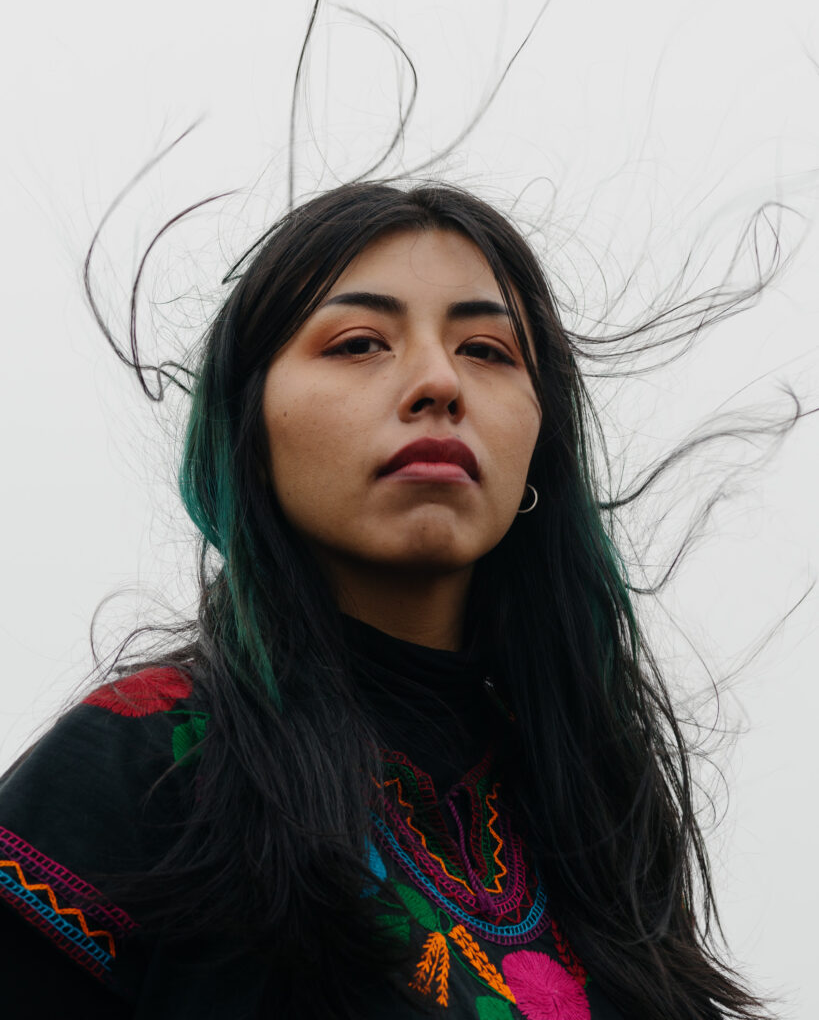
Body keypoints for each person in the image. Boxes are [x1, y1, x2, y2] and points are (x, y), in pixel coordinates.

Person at [0, 181, 778, 1019]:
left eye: (486, 350)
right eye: (360, 342)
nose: (439, 382)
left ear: (538, 449)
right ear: (249, 433)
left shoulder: (589, 808)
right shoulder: (144, 767)